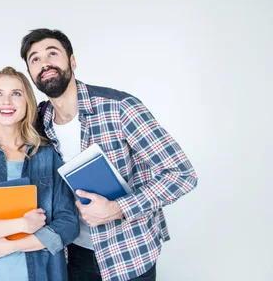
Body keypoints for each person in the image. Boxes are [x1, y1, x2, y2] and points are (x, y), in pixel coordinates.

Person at [19, 28, 198, 281]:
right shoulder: (39, 121)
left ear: (72, 61)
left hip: (129, 254)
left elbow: (182, 175)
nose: (45, 63)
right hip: (73, 255)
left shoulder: (120, 108)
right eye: (35, 59)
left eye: (52, 53)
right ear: (31, 74)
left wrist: (117, 209)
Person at [0, 66, 79, 281]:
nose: (6, 101)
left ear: (27, 102)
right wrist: (21, 225)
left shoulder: (48, 155)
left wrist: (12, 246)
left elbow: (68, 224)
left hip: (42, 273)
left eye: (16, 94)